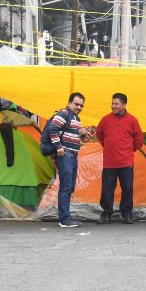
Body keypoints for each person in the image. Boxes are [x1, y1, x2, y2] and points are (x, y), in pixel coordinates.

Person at [96, 93, 144, 224]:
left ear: (124, 105)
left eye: (116, 104)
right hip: (109, 162)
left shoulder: (132, 120)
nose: (113, 106)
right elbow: (99, 134)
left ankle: (127, 213)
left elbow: (139, 139)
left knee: (127, 188)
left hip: (126, 161)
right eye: (112, 103)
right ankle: (106, 213)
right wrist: (107, 146)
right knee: (107, 189)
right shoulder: (105, 119)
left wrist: (130, 148)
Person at [45, 92, 91, 228]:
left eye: (81, 105)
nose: (79, 107)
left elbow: (73, 136)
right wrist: (58, 147)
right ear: (69, 102)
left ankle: (66, 217)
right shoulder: (63, 114)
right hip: (65, 155)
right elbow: (52, 129)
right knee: (66, 187)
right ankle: (64, 219)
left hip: (72, 155)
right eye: (76, 104)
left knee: (69, 187)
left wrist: (82, 136)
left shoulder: (76, 118)